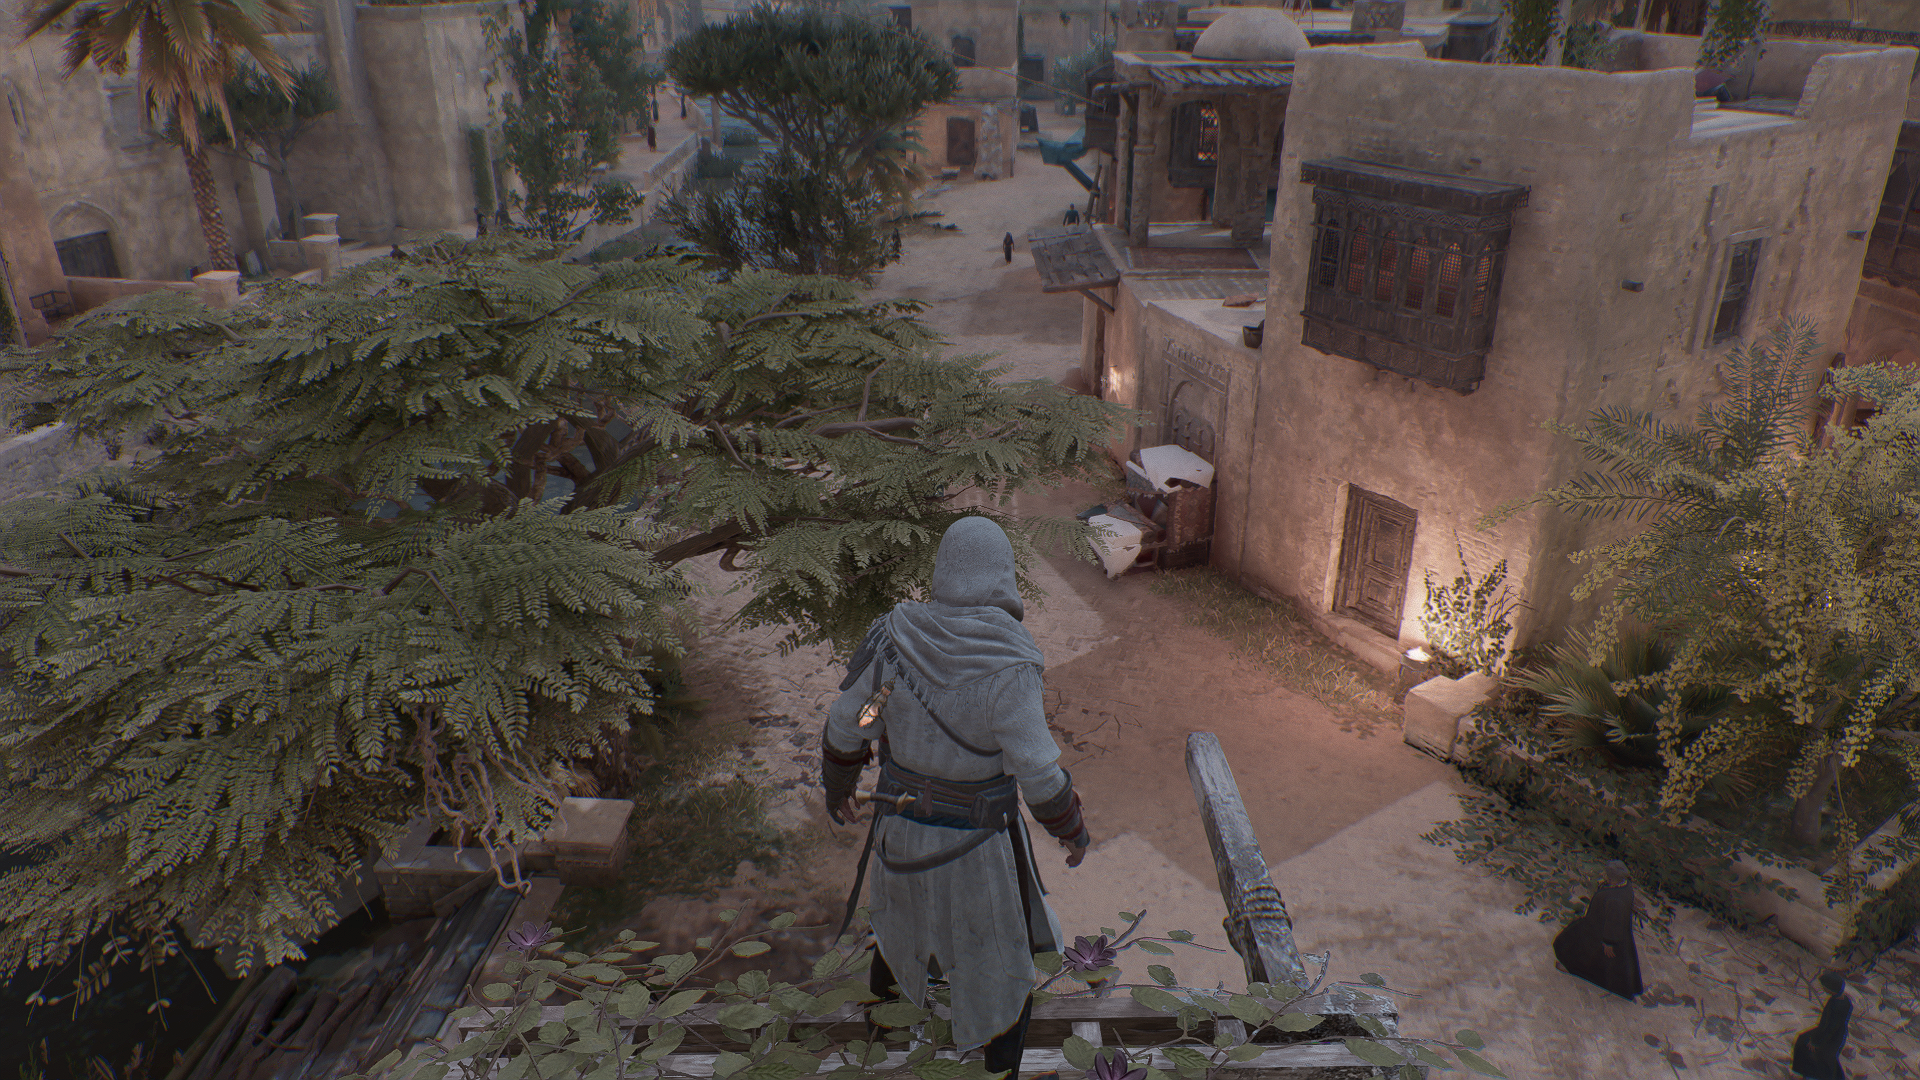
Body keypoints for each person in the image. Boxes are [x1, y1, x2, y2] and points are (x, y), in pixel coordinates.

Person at [822, 517, 1093, 1080]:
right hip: (976, 852)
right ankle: (999, 1073)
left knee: (897, 942)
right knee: (1000, 967)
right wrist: (1071, 827)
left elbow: (853, 721)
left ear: (944, 571)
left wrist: (839, 784)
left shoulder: (891, 639)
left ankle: (879, 1058)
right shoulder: (1010, 664)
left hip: (900, 838)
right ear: (1002, 576)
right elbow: (1039, 773)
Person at [1550, 860, 1644, 999]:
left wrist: (1608, 942)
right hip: (1600, 925)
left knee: (1577, 946)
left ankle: (1571, 967)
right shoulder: (1626, 887)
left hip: (1600, 930)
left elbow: (1614, 922)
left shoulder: (1614, 899)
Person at [1792, 971, 1853, 1079]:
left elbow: (1830, 1027)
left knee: (1817, 1053)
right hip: (1836, 1034)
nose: (1823, 988)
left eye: (1825, 986)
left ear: (1831, 988)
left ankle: (1811, 1076)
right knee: (1824, 1056)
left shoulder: (1836, 1004)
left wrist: (1816, 1041)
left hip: (1831, 1036)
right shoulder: (1844, 1001)